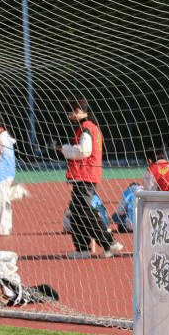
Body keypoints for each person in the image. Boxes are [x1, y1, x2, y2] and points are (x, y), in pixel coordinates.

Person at [62, 98, 123, 258]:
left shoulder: (86, 128)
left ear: (77, 110)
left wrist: (65, 149)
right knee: (77, 212)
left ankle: (109, 242)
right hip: (86, 175)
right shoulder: (91, 127)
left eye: (69, 113)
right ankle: (83, 248)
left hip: (85, 175)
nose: (69, 117)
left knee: (85, 212)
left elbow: (84, 151)